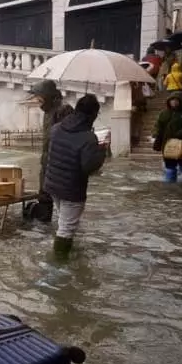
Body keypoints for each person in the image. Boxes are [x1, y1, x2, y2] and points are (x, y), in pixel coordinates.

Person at [43, 94, 108, 258]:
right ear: (93, 114)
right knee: (66, 228)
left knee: (63, 221)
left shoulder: (56, 128)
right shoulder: (88, 138)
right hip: (71, 189)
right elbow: (89, 167)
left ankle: (66, 251)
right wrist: (101, 150)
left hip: (52, 184)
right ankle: (58, 265)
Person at [27, 79, 74, 222]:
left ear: (47, 96)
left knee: (62, 198)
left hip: (59, 163)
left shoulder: (63, 111)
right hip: (47, 161)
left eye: (39, 96)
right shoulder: (47, 112)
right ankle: (44, 223)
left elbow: (68, 137)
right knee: (44, 194)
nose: (36, 100)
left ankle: (65, 228)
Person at [153, 89, 182, 182]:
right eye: (172, 100)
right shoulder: (164, 113)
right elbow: (158, 127)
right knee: (170, 166)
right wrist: (157, 138)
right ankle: (170, 184)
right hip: (168, 143)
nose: (173, 102)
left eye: (176, 100)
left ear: (181, 101)